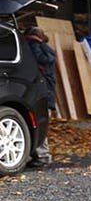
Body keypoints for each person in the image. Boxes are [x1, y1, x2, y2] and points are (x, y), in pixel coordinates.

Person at [24, 26, 55, 167]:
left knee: (37, 123)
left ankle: (42, 155)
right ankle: (42, 155)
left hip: (39, 92)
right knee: (41, 123)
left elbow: (37, 61)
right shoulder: (47, 48)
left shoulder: (34, 47)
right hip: (48, 92)